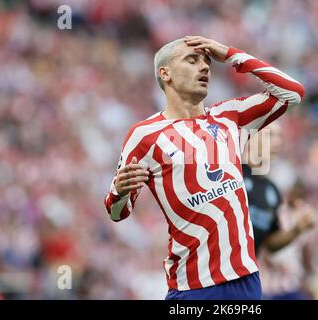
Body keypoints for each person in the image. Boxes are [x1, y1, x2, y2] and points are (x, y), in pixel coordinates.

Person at [104, 36, 305, 300]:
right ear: (165, 73)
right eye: (192, 59)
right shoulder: (144, 135)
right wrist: (119, 190)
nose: (205, 67)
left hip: (246, 279)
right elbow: (117, 211)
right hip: (194, 285)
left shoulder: (229, 116)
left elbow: (292, 92)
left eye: (208, 62)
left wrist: (231, 54)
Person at [242, 122, 316, 299]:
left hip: (250, 285)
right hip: (217, 279)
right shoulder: (230, 175)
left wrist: (298, 229)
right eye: (269, 135)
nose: (277, 142)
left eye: (279, 137)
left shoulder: (272, 191)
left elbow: (270, 244)